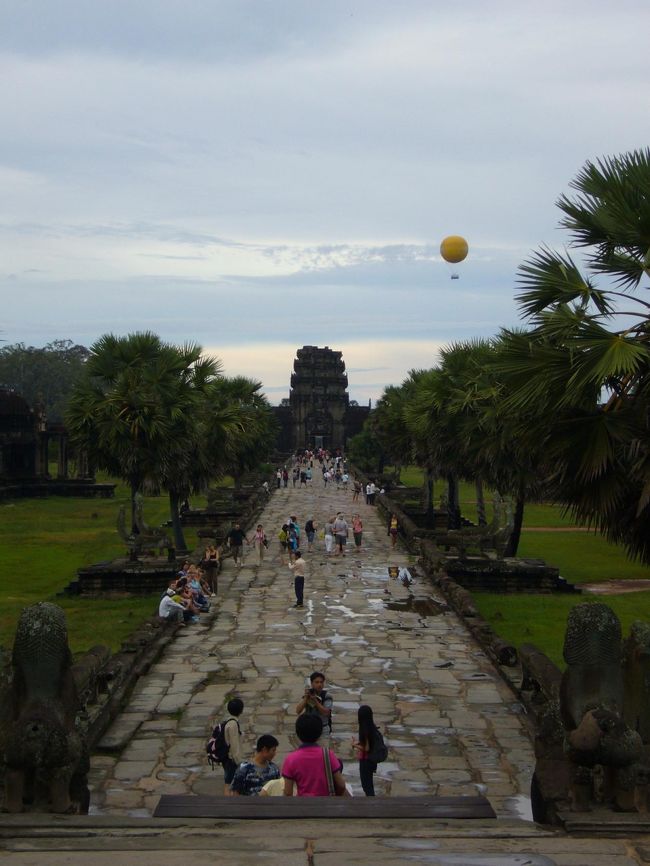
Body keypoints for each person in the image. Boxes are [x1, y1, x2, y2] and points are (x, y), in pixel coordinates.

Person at [282, 715, 346, 797]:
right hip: (325, 805)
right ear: (319, 733)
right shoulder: (328, 754)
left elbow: (288, 792)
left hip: (304, 806)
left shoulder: (291, 759)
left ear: (298, 733)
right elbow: (341, 785)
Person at [353, 705, 382, 796]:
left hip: (366, 761)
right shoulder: (372, 727)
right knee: (369, 784)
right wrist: (359, 742)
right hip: (372, 761)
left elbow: (367, 748)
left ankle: (371, 804)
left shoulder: (365, 729)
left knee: (366, 786)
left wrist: (355, 745)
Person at [221, 697, 245, 795]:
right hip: (232, 759)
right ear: (241, 710)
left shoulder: (228, 721)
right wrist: (239, 761)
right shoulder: (233, 725)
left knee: (230, 781)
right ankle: (231, 803)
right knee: (230, 783)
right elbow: (234, 745)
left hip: (227, 757)